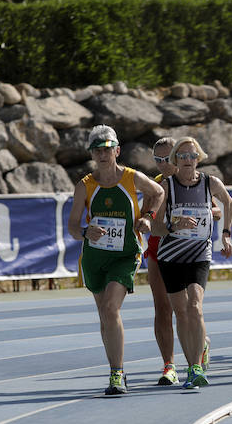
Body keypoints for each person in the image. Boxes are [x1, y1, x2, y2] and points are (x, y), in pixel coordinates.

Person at [67, 125, 164, 396]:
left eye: (107, 149)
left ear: (117, 150)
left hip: (125, 254)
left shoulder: (132, 178)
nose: (103, 155)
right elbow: (73, 226)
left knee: (111, 308)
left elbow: (158, 193)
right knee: (105, 315)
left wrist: (148, 217)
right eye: (97, 150)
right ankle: (115, 368)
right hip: (95, 258)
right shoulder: (85, 186)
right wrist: (86, 231)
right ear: (92, 154)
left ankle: (117, 374)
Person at [151, 137, 232, 389]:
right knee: (181, 312)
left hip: (199, 252)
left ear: (199, 158)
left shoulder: (210, 182)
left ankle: (195, 367)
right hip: (171, 256)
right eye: (183, 156)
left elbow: (228, 202)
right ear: (175, 160)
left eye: (192, 155)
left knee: (195, 307)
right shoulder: (166, 186)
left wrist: (226, 234)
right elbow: (154, 227)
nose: (188, 160)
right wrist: (174, 226)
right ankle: (190, 364)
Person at [144, 137, 179, 385]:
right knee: (162, 308)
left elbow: (216, 210)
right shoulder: (154, 184)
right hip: (157, 250)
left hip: (187, 251)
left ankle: (201, 343)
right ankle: (169, 365)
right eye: (158, 160)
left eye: (167, 159)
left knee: (187, 309)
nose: (163, 165)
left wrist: (203, 213)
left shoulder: (193, 181)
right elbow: (146, 215)